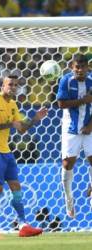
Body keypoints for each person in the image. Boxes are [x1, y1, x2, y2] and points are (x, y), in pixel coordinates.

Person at [0, 75, 47, 238]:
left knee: (16, 188)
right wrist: (10, 124)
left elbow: (21, 129)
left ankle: (23, 225)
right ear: (2, 86)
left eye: (16, 85)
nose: (13, 87)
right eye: (10, 84)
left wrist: (35, 119)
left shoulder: (12, 104)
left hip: (6, 151)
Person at [56, 54, 92, 218]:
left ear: (87, 67)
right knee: (67, 163)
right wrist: (84, 100)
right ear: (72, 67)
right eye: (77, 67)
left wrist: (90, 125)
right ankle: (69, 200)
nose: (80, 70)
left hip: (90, 126)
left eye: (83, 67)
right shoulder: (66, 81)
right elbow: (61, 104)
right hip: (71, 128)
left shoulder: (91, 81)